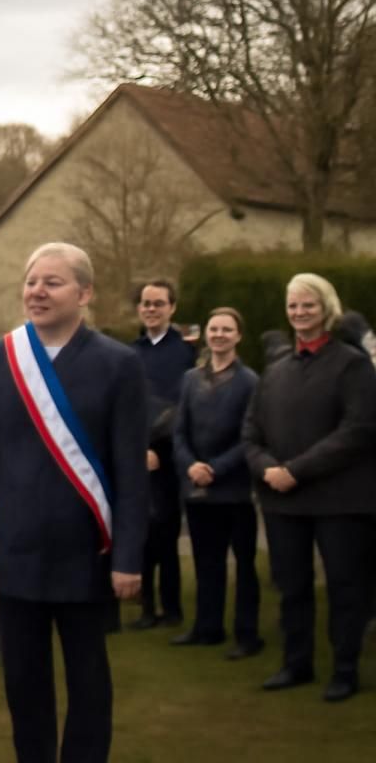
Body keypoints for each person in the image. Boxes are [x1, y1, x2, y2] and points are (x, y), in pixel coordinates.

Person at [0, 242, 148, 763]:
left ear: (85, 293)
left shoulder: (119, 364)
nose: (37, 291)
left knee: (89, 682)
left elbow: (133, 474)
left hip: (88, 556)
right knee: (24, 683)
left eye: (53, 282)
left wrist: (129, 557)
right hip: (17, 555)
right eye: (31, 281)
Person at [242, 273, 376, 704]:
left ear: (327, 310)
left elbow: (358, 430)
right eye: (294, 306)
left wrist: (296, 469)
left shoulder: (351, 364)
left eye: (309, 306)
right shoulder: (275, 370)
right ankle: (296, 663)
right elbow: (250, 433)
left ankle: (344, 670)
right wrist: (268, 470)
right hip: (283, 501)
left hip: (340, 499)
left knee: (344, 586)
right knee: (292, 586)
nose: (300, 313)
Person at [169, 307, 263, 658]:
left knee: (244, 563)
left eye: (227, 329)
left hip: (234, 489)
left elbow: (250, 436)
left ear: (238, 336)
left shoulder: (250, 381)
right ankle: (207, 628)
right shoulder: (190, 379)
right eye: (214, 328)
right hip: (197, 489)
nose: (219, 334)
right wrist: (191, 465)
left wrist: (216, 468)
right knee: (207, 562)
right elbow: (179, 431)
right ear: (206, 333)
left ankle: (247, 636)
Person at [129, 279, 194, 630]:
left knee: (166, 534)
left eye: (158, 303)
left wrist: (160, 449)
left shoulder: (185, 352)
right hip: (136, 455)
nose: (151, 309)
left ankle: (172, 609)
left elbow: (184, 405)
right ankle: (145, 607)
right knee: (141, 533)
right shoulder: (130, 353)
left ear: (172, 308)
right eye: (145, 303)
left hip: (170, 455)